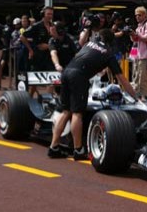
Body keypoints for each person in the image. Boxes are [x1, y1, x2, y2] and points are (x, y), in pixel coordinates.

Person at [47, 28, 137, 160]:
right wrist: (136, 97)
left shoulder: (90, 43)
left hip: (66, 72)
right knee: (77, 113)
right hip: (78, 76)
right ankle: (78, 150)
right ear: (110, 43)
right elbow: (122, 79)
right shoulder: (108, 54)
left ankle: (53, 147)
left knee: (66, 111)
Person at [21, 6, 54, 95]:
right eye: (48, 14)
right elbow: (22, 37)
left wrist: (50, 45)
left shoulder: (53, 26)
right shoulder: (36, 26)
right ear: (43, 14)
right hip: (38, 57)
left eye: (51, 14)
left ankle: (49, 101)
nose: (50, 16)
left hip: (50, 56)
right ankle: (30, 98)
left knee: (51, 81)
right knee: (34, 82)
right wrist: (30, 50)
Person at [130, 6, 147, 99]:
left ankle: (145, 97)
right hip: (137, 55)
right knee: (136, 77)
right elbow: (135, 40)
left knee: (143, 78)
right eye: (136, 15)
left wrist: (136, 35)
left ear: (145, 16)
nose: (137, 17)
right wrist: (132, 34)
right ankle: (136, 96)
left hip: (145, 56)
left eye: (139, 15)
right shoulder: (139, 26)